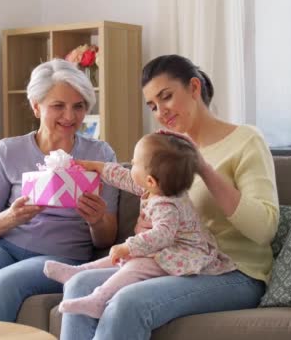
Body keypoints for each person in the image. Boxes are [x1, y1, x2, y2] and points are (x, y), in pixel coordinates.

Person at [60, 54, 279, 340]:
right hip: (175, 262)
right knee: (79, 284)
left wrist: (202, 167)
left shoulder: (247, 141)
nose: (160, 111)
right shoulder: (164, 152)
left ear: (194, 88)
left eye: (166, 97)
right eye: (152, 105)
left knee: (129, 303)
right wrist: (144, 227)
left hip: (235, 272)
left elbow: (264, 230)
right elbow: (156, 209)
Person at [0, 59, 119, 322]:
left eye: (79, 106)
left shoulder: (100, 154)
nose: (70, 116)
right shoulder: (9, 150)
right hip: (2, 246)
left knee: (0, 287)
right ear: (36, 106)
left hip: (62, 254)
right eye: (58, 106)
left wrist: (96, 219)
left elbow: (106, 239)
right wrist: (12, 217)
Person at [43, 133, 236, 319]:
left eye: (134, 163)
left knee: (135, 264)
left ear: (150, 180)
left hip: (184, 253)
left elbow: (162, 235)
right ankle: (79, 271)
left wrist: (129, 246)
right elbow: (124, 177)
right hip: (167, 248)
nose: (131, 165)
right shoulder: (155, 187)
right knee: (121, 256)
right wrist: (96, 167)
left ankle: (99, 300)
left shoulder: (165, 204)